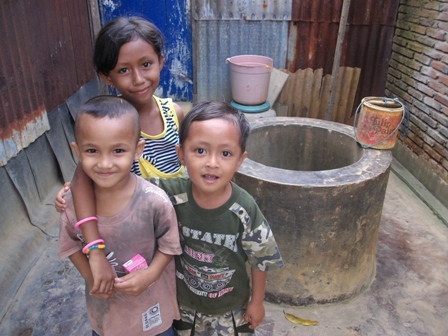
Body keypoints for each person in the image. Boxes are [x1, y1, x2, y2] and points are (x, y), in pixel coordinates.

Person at [57, 101, 284, 335]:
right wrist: (74, 189)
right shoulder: (170, 193)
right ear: (181, 154)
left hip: (230, 311)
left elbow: (261, 259)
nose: (212, 162)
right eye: (200, 150)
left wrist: (256, 302)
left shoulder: (243, 208)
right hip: (183, 308)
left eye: (225, 153)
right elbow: (116, 184)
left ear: (240, 159)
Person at [61, 16, 186, 296]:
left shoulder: (175, 114)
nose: (139, 78)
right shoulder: (104, 128)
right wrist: (94, 250)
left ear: (161, 61)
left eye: (146, 64)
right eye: (123, 70)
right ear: (107, 77)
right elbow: (82, 178)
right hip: (134, 237)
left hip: (173, 229)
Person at [58, 95, 182, 335]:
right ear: (77, 151)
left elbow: (170, 243)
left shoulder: (153, 200)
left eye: (118, 151)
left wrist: (151, 274)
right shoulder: (72, 206)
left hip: (153, 312)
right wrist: (92, 278)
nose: (105, 163)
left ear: (137, 150)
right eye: (92, 150)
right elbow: (70, 244)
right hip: (107, 315)